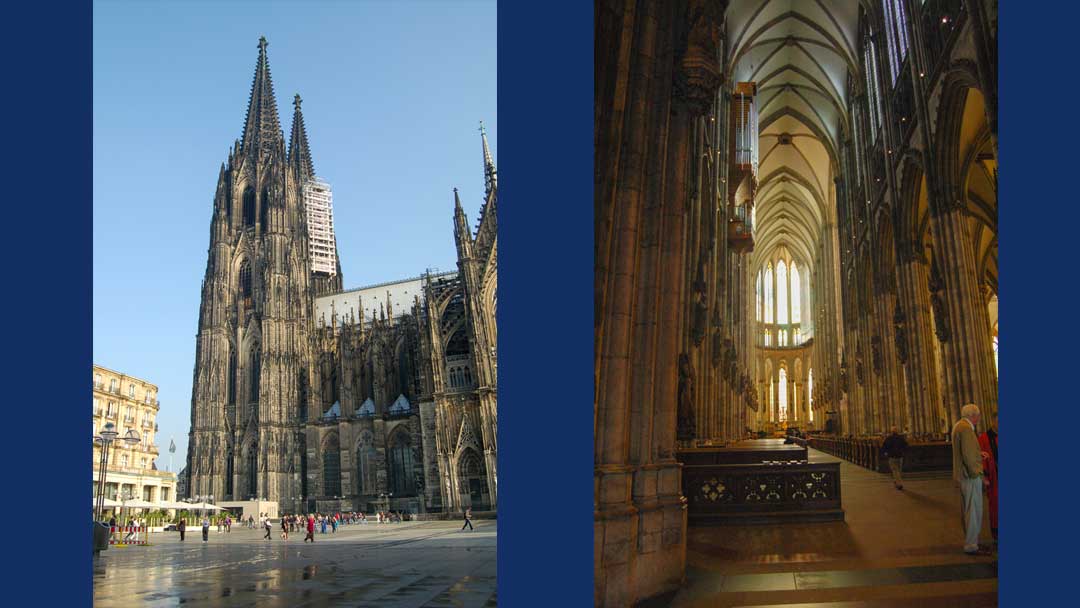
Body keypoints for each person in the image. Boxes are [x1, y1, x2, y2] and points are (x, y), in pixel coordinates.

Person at [952, 404, 990, 556]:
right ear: (973, 416)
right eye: (978, 415)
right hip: (970, 476)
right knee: (973, 510)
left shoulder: (958, 426)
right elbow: (968, 456)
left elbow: (966, 451)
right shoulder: (966, 429)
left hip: (962, 475)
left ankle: (971, 541)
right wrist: (980, 475)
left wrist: (977, 453)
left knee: (968, 510)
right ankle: (972, 544)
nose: (979, 418)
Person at [978, 420, 999, 544]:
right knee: (995, 504)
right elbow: (982, 458)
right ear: (993, 422)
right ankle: (996, 532)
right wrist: (985, 476)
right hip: (994, 476)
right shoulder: (984, 438)